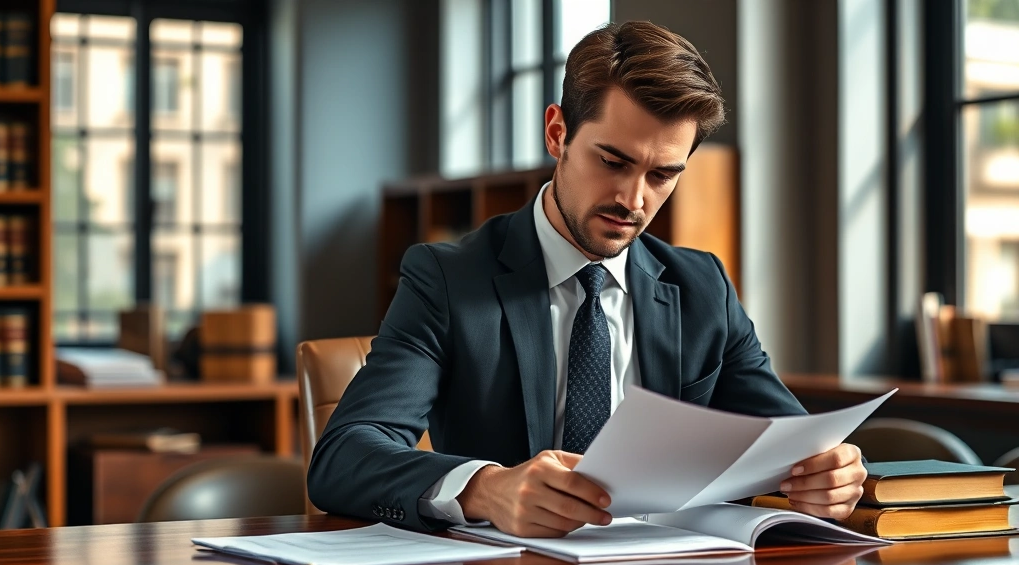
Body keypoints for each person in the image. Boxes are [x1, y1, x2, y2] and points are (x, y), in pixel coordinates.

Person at [307, 20, 866, 537]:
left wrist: (826, 473)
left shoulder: (702, 287)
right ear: (557, 133)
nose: (633, 199)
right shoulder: (448, 280)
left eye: (662, 175)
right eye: (613, 161)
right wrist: (487, 488)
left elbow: (791, 443)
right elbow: (343, 458)